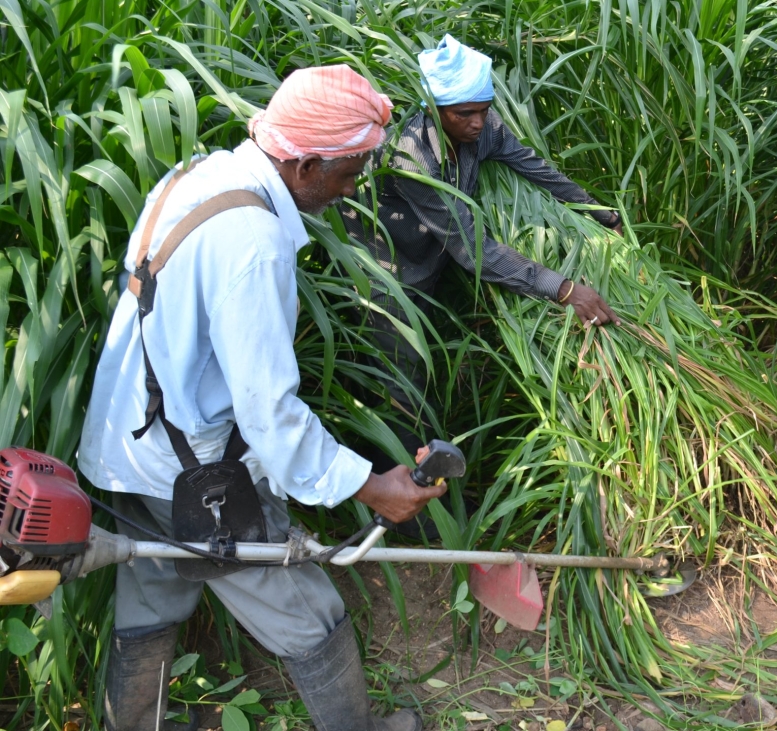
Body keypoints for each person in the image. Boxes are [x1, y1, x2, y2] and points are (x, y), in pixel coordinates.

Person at [78, 66, 437, 731]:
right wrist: (369, 485)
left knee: (151, 597)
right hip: (191, 476)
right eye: (349, 172)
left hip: (125, 450)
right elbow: (270, 414)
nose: (353, 187)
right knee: (309, 611)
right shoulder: (253, 242)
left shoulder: (198, 175)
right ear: (303, 165)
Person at [341, 35, 623, 472]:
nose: (478, 123)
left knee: (426, 371)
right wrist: (564, 289)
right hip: (388, 277)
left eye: (483, 109)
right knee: (402, 386)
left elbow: (536, 168)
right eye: (464, 113)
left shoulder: (483, 131)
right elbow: (472, 250)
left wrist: (601, 214)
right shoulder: (411, 157)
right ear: (434, 110)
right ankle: (404, 501)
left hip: (431, 265)